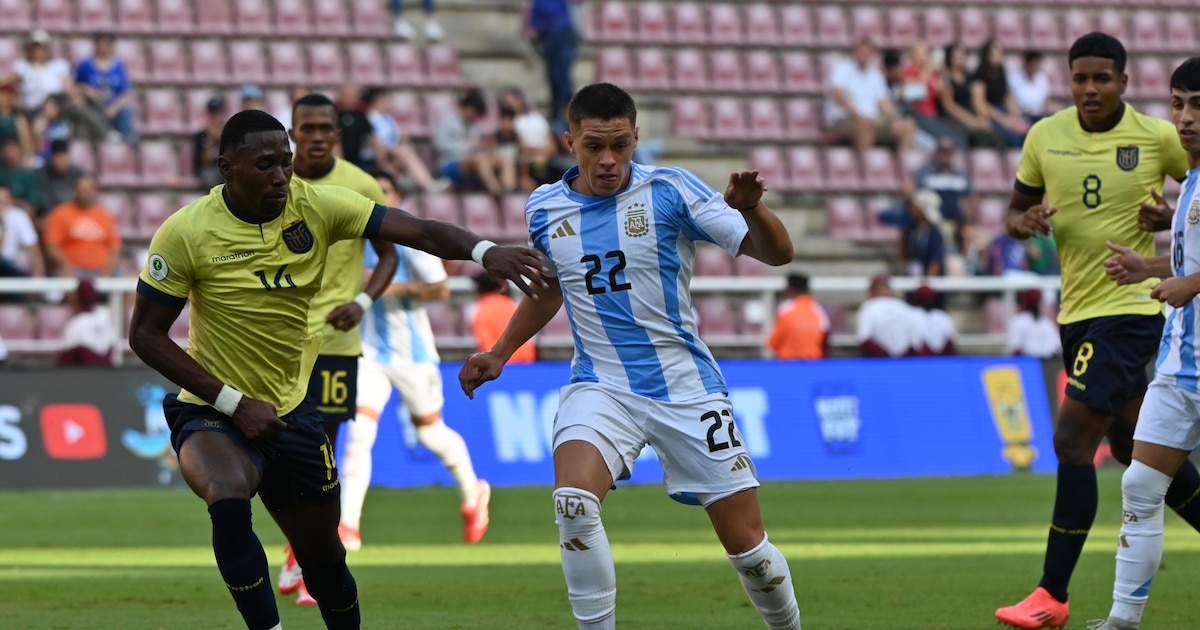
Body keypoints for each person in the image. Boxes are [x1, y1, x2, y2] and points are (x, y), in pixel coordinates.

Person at [127, 109, 547, 630]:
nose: (282, 176)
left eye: (286, 163)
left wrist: (485, 251)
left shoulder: (317, 207)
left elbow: (416, 231)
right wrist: (233, 401)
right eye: (266, 165)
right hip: (214, 409)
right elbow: (144, 335)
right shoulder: (186, 233)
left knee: (324, 560)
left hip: (290, 410)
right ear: (226, 167)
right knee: (227, 496)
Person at [458, 83, 802, 630]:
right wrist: (500, 352)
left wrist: (753, 209)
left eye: (620, 144)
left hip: (686, 388)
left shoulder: (670, 190)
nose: (609, 159)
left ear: (637, 136)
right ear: (569, 141)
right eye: (595, 145)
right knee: (573, 503)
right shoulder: (544, 206)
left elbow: (778, 254)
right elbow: (551, 287)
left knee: (749, 551)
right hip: (600, 386)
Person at [994, 33, 1200, 630]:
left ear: (1124, 83)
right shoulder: (1043, 137)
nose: (1091, 89)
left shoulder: (1159, 135)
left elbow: (1192, 205)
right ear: (1069, 79)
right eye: (1081, 78)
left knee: (1070, 441)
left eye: (1102, 79)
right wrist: (1022, 222)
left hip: (1132, 309)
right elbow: (1013, 211)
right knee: (1137, 453)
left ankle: (1050, 594)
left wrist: (1168, 218)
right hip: (1076, 309)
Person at [274, 93, 399, 606]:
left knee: (319, 454)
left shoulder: (360, 184)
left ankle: (314, 563)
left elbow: (389, 254)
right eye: (309, 127)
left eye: (327, 127)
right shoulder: (274, 181)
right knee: (280, 456)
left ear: (337, 134)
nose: (319, 135)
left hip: (337, 340)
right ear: (293, 133)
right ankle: (295, 550)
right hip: (280, 341)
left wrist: (364, 301)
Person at [1091, 56, 1200, 630]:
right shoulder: (1192, 182)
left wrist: (1192, 283)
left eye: (1198, 105)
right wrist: (1148, 266)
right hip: (1182, 365)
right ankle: (1122, 620)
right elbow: (1190, 262)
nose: (1185, 118)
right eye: (1179, 103)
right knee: (1139, 482)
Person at [339, 171, 492, 552]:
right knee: (358, 436)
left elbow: (441, 288)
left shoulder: (408, 242)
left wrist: (391, 287)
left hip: (414, 356)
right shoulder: (351, 240)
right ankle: (348, 527)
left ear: (395, 195)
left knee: (430, 433)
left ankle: (473, 492)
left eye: (384, 190)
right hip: (369, 354)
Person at [824, 38, 915, 151]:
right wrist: (857, 115)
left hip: (871, 119)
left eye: (867, 53)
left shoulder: (875, 75)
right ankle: (865, 166)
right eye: (861, 52)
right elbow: (838, 94)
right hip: (844, 118)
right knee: (865, 128)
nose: (863, 56)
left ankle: (903, 165)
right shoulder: (842, 68)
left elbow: (884, 102)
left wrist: (894, 118)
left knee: (907, 125)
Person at [905, 136, 977, 251]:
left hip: (956, 221)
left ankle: (965, 263)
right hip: (934, 221)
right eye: (942, 152)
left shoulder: (959, 175)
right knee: (941, 236)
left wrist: (969, 212)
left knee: (971, 235)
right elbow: (908, 187)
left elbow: (972, 194)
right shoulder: (926, 172)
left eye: (947, 152)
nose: (944, 156)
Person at [42, 175, 121, 278]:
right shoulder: (61, 213)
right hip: (72, 270)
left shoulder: (105, 216)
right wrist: (65, 265)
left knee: (130, 279)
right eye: (82, 190)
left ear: (95, 191)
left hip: (101, 270)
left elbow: (115, 247)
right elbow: (52, 245)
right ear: (74, 191)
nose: (85, 194)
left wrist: (108, 271)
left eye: (88, 190)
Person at [432, 88, 505, 195]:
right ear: (469, 108)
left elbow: (475, 145)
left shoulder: (472, 125)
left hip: (471, 164)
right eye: (475, 113)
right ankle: (498, 192)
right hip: (450, 164)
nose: (475, 117)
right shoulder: (446, 120)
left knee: (504, 159)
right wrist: (469, 148)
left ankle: (509, 192)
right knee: (480, 159)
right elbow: (440, 145)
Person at [73, 30, 136, 144]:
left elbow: (125, 93)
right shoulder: (85, 65)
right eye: (100, 43)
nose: (103, 47)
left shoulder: (119, 67)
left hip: (113, 106)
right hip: (93, 105)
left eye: (106, 43)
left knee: (126, 111)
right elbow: (74, 86)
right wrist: (85, 90)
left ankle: (126, 146)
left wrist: (114, 107)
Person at [939, 42, 1006, 149]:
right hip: (955, 119)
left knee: (996, 136)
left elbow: (979, 102)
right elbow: (949, 106)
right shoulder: (946, 78)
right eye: (958, 55)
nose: (962, 58)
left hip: (972, 115)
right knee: (978, 137)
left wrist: (982, 118)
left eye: (964, 55)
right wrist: (971, 121)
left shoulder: (971, 78)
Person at [525, 0, 579, 130]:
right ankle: (559, 114)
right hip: (551, 34)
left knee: (561, 76)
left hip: (560, 33)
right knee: (555, 77)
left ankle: (566, 113)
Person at [971, 39, 1028, 148]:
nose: (999, 56)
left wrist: (1015, 115)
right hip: (991, 116)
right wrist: (1004, 120)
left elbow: (1007, 97)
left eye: (1000, 53)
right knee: (1011, 140)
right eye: (995, 53)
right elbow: (981, 105)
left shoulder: (1001, 74)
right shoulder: (979, 77)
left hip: (1003, 112)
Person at [470, 270, 536, 363]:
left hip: (501, 364)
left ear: (480, 288)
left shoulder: (481, 310)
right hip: (527, 361)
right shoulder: (512, 305)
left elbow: (485, 343)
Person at [766, 273, 828, 360]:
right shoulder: (818, 310)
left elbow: (773, 342)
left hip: (788, 363)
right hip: (813, 363)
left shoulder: (786, 309)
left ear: (790, 289)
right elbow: (825, 342)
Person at [856, 274, 918, 358]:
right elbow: (916, 341)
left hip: (881, 363)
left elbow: (865, 339)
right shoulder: (903, 306)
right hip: (904, 361)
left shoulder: (868, 306)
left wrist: (887, 358)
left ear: (871, 291)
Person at [57, 278, 115, 365]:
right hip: (106, 371)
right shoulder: (105, 314)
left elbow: (65, 360)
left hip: (85, 374)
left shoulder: (76, 324)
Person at [0, 184, 43, 281]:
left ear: (10, 201)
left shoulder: (19, 216)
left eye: (3, 201)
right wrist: (3, 226)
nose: (1, 204)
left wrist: (38, 275)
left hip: (13, 269)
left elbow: (33, 247)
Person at [900, 188, 946, 277]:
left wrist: (927, 285)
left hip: (928, 285)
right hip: (913, 279)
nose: (911, 209)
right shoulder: (911, 231)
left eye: (914, 206)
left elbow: (935, 261)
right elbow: (904, 256)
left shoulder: (934, 233)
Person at [33, 138, 83, 218]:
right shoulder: (41, 174)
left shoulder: (78, 173)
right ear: (51, 158)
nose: (61, 161)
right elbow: (45, 202)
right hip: (52, 216)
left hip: (75, 215)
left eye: (64, 157)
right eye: (58, 157)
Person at [1008, 289, 1060, 359]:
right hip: (1044, 365)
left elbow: (1016, 349)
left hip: (1027, 365)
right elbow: (1055, 349)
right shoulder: (1047, 323)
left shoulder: (1018, 321)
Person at [909, 286, 956, 356]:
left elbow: (950, 345)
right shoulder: (942, 316)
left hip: (941, 360)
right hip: (921, 360)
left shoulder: (941, 316)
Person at [1009, 50, 1052, 122]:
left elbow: (1047, 98)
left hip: (1039, 115)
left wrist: (1045, 110)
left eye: (1037, 65)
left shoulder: (1042, 78)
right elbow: (1010, 100)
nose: (1035, 68)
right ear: (1027, 64)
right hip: (1021, 116)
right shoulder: (1013, 78)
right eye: (1033, 65)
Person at [193, 96, 226, 190]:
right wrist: (210, 141)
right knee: (209, 177)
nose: (215, 117)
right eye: (213, 114)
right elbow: (200, 160)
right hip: (210, 168)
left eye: (218, 113)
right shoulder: (202, 135)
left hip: (223, 167)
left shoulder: (227, 134)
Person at [0, 138, 38, 215]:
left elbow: (32, 205)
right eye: (8, 151)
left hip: (21, 215)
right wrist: (18, 203)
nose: (10, 155)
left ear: (20, 151)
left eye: (13, 150)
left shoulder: (27, 175)